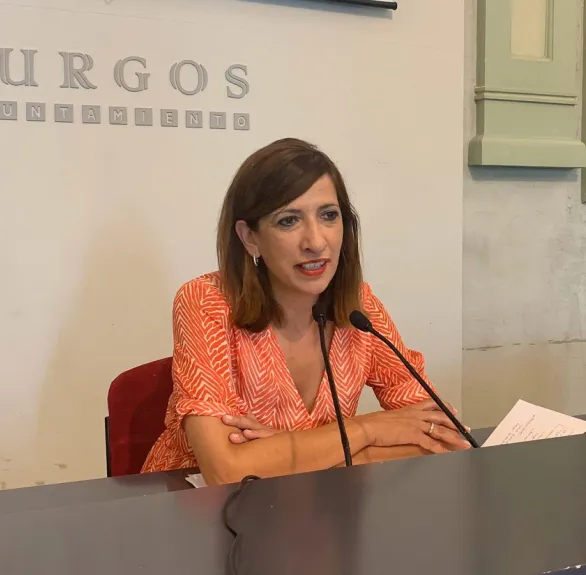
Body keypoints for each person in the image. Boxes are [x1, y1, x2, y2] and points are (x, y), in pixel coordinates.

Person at [141, 137, 470, 485]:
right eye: (288, 221)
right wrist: (369, 429)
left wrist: (284, 452)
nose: (315, 241)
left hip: (319, 504)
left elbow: (441, 434)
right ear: (250, 237)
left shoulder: (359, 306)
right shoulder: (206, 301)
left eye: (328, 215)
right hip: (193, 504)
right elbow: (226, 471)